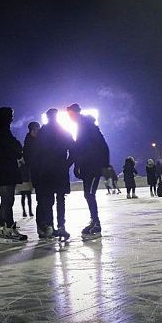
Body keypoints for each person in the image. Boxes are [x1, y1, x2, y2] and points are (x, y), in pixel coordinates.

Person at [31, 109, 75, 240]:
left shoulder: (42, 133)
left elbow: (36, 154)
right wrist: (67, 164)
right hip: (59, 171)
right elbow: (73, 149)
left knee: (48, 200)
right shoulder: (63, 130)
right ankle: (61, 226)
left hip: (46, 171)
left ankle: (51, 226)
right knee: (60, 199)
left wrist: (39, 170)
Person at [67, 103, 109, 239]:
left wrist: (104, 165)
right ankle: (94, 220)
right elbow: (78, 149)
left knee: (90, 194)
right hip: (87, 167)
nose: (69, 117)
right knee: (88, 194)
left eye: (70, 114)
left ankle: (96, 223)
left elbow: (102, 145)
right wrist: (75, 165)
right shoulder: (81, 126)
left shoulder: (88, 126)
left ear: (75, 113)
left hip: (93, 166)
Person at [0, 107, 27, 241]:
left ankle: (2, 228)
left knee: (6, 200)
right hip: (5, 169)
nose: (12, 118)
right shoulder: (2, 132)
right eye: (10, 116)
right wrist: (17, 149)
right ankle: (9, 228)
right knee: (8, 200)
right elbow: (15, 147)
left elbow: (14, 146)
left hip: (2, 169)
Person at [18, 123, 36, 218]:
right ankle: (26, 211)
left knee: (26, 197)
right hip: (24, 180)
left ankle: (28, 211)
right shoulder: (22, 161)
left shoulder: (22, 161)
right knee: (25, 197)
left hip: (26, 180)